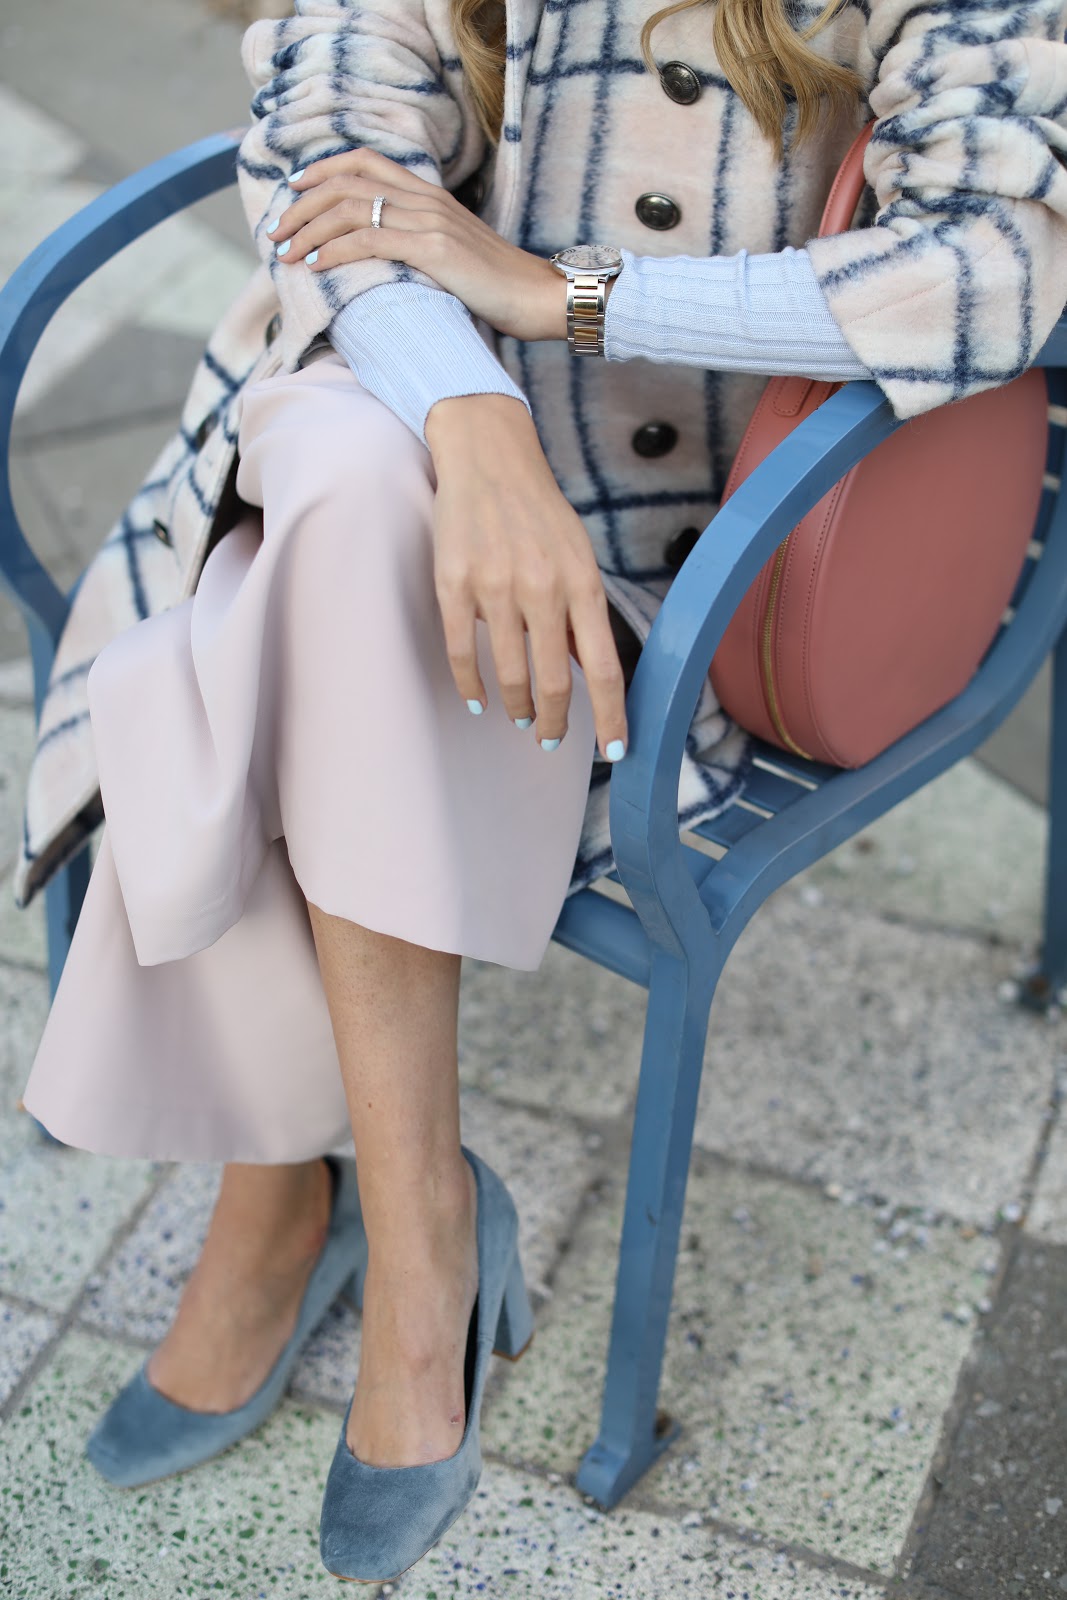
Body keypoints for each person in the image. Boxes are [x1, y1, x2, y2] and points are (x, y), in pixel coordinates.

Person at [16, 0, 1067, 1583]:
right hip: (398, 406)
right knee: (351, 495)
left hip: (689, 543)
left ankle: (291, 1208)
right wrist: (474, 414)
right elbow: (327, 139)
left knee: (283, 603)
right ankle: (415, 1229)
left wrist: (570, 295)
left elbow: (1001, 263)